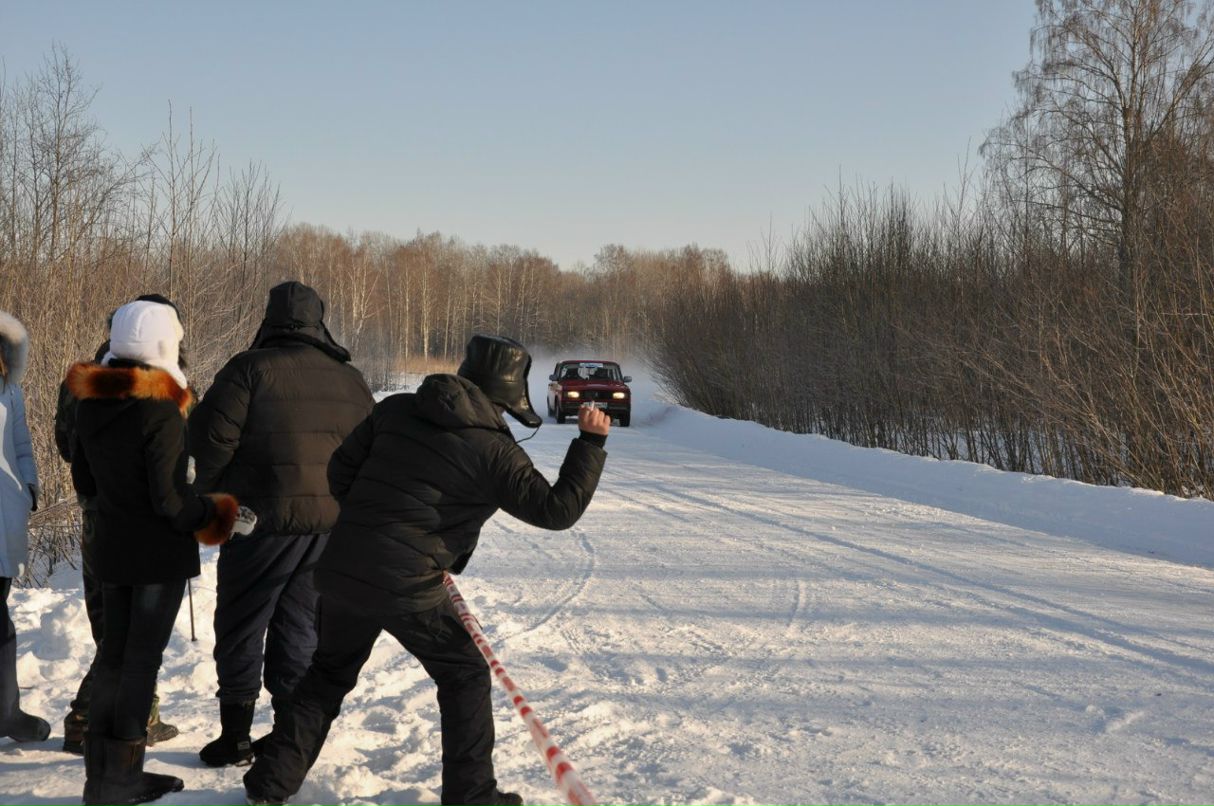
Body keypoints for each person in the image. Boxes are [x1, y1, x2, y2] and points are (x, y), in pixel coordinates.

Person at [243, 334, 611, 806]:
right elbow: (557, 511)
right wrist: (590, 442)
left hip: (343, 566)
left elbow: (339, 472)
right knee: (465, 676)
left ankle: (269, 784)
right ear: (508, 393)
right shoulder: (493, 449)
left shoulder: (397, 409)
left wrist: (370, 523)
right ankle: (471, 796)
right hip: (406, 583)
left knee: (328, 673)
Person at [188, 281, 374, 767]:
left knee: (242, 623)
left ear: (269, 319)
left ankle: (235, 737)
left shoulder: (247, 370)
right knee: (300, 627)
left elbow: (207, 446)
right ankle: (289, 737)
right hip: (328, 527)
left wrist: (209, 502)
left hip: (260, 522)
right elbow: (369, 455)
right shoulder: (350, 379)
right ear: (319, 321)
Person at [66, 299, 243, 805]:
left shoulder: (90, 401)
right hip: (155, 556)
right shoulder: (160, 410)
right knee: (138, 664)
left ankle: (101, 777)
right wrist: (214, 512)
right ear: (166, 343)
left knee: (113, 659)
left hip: (111, 548)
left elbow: (84, 481)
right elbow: (169, 501)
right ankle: (119, 779)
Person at [55, 295, 182, 754]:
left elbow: (68, 448)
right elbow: (173, 469)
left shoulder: (82, 380)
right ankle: (94, 720)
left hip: (97, 514)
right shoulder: (156, 386)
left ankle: (130, 718)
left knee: (112, 632)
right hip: (134, 520)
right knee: (123, 638)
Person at [0, 310, 51, 744]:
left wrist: (29, 486)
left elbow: (21, 444)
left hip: (4, 515)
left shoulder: (9, 392)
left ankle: (6, 711)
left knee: (0, 613)